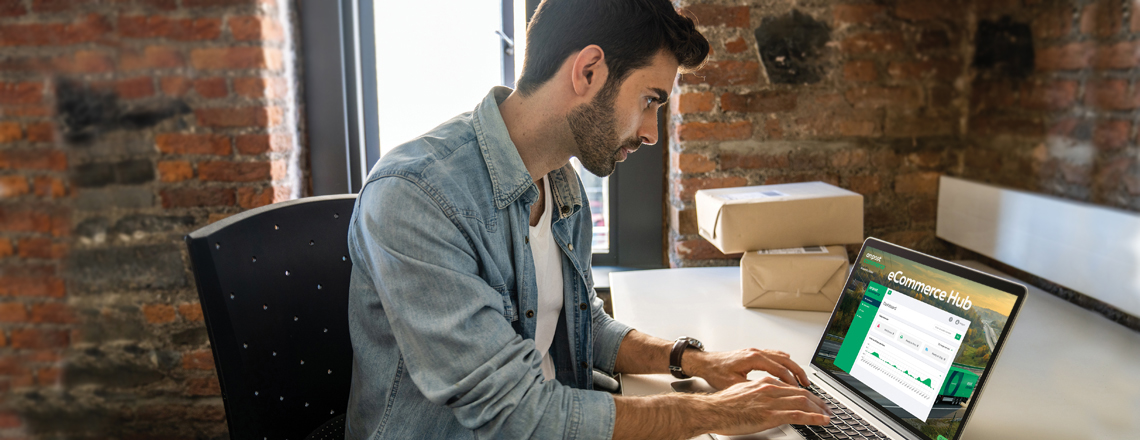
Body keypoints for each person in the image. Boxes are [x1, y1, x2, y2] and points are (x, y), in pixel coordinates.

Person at [345, 0, 833, 438]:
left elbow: (578, 322)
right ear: (589, 72)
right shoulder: (415, 197)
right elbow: (515, 416)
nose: (651, 134)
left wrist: (695, 360)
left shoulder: (561, 182)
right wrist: (716, 413)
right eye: (650, 100)